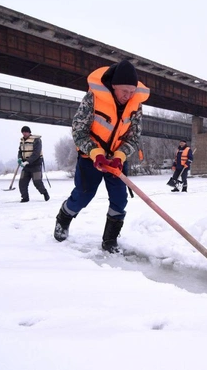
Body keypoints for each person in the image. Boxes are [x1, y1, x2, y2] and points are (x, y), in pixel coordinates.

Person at [53, 60, 149, 253]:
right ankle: (63, 217)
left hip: (117, 160)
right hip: (91, 157)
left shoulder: (135, 105)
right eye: (124, 91)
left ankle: (110, 240)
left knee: (120, 199)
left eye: (132, 91)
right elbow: (79, 131)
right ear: (113, 85)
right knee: (84, 195)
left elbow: (134, 137)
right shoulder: (93, 99)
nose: (128, 96)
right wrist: (96, 153)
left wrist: (120, 156)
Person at [17, 126, 49, 203]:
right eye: (23, 132)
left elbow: (36, 153)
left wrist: (28, 161)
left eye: (25, 132)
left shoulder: (36, 140)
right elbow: (20, 151)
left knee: (37, 182)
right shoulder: (22, 141)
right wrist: (20, 158)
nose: (24, 134)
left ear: (29, 132)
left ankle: (44, 193)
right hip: (26, 166)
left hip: (36, 164)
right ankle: (25, 198)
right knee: (22, 182)